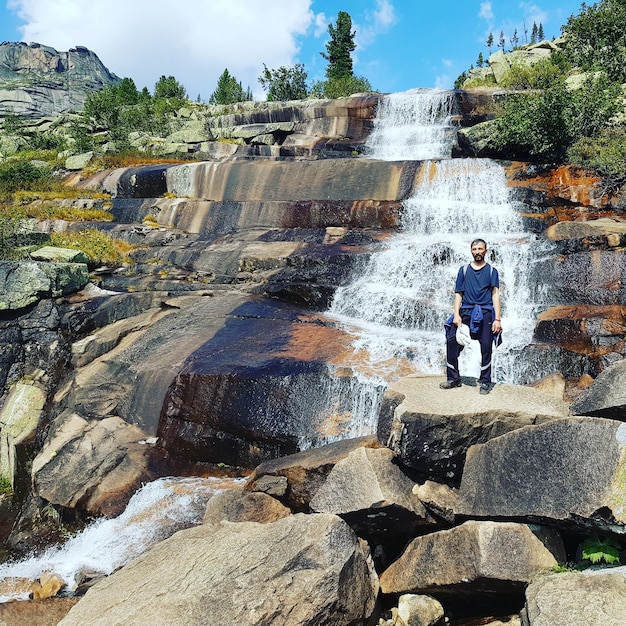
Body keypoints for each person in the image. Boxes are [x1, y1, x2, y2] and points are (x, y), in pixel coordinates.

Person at [440, 238, 502, 395]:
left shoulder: (491, 271)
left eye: (480, 249)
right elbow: (458, 294)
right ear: (471, 251)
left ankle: (485, 381)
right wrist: (456, 314)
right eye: (475, 249)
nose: (477, 252)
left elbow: (495, 295)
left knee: (486, 345)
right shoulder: (464, 270)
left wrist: (497, 319)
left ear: (486, 251)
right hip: (466, 311)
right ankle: (453, 378)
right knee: (452, 340)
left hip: (486, 312)